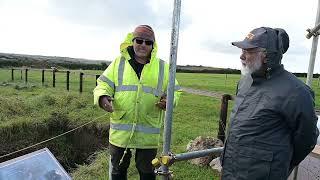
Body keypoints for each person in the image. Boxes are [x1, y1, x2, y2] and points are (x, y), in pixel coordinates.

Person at [220, 27, 319, 180]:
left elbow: (306, 139)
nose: (241, 56)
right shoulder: (245, 82)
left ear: (267, 56)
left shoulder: (296, 92)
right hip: (231, 170)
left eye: (248, 51)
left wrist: (277, 164)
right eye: (242, 50)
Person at [93, 25, 182, 180]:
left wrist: (170, 100)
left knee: (147, 172)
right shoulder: (118, 63)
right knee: (117, 170)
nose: (143, 45)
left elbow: (175, 91)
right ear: (132, 41)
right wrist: (102, 97)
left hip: (148, 131)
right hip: (120, 131)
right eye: (139, 40)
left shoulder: (162, 67)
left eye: (148, 42)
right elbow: (103, 84)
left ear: (152, 45)